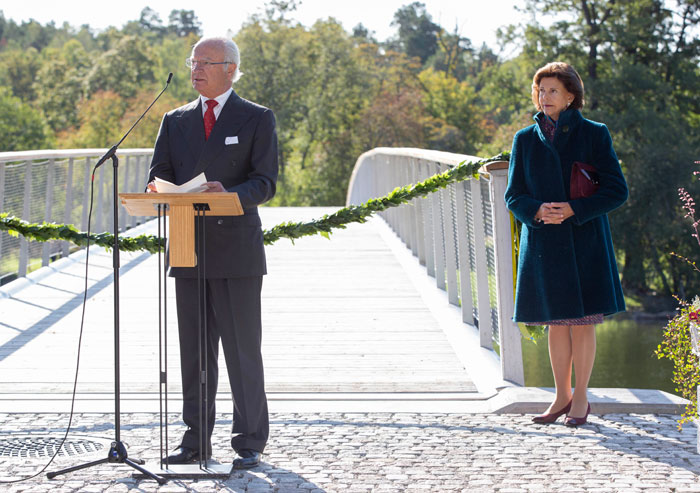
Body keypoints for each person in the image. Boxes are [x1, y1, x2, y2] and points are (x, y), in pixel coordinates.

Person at [147, 36, 278, 467]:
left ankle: (249, 442)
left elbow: (265, 182)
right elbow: (158, 174)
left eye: (205, 62)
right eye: (193, 61)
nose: (195, 69)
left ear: (230, 68)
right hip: (188, 248)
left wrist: (231, 193)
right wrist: (157, 189)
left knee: (243, 351)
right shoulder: (174, 119)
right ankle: (195, 440)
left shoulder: (256, 117)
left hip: (236, 251)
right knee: (194, 353)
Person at [505, 62, 627, 427]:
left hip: (585, 241)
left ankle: (582, 399)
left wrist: (575, 208)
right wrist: (538, 210)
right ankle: (561, 396)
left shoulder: (594, 134)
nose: (544, 97)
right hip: (543, 242)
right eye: (540, 90)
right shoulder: (524, 139)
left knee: (583, 322)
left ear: (571, 95)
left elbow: (616, 190)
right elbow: (514, 195)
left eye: (552, 90)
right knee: (557, 323)